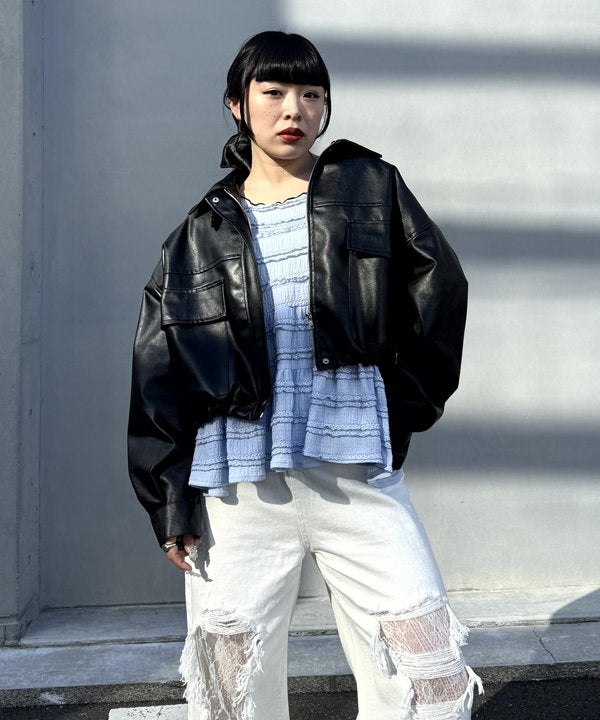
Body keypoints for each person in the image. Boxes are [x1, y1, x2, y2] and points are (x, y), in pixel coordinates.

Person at [128, 30, 482, 720]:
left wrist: (397, 406)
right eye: (274, 91)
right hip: (236, 490)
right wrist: (169, 500)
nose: (295, 109)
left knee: (428, 677)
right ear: (237, 104)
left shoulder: (369, 187)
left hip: (355, 476)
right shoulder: (197, 235)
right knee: (231, 694)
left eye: (312, 93)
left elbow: (442, 294)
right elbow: (157, 372)